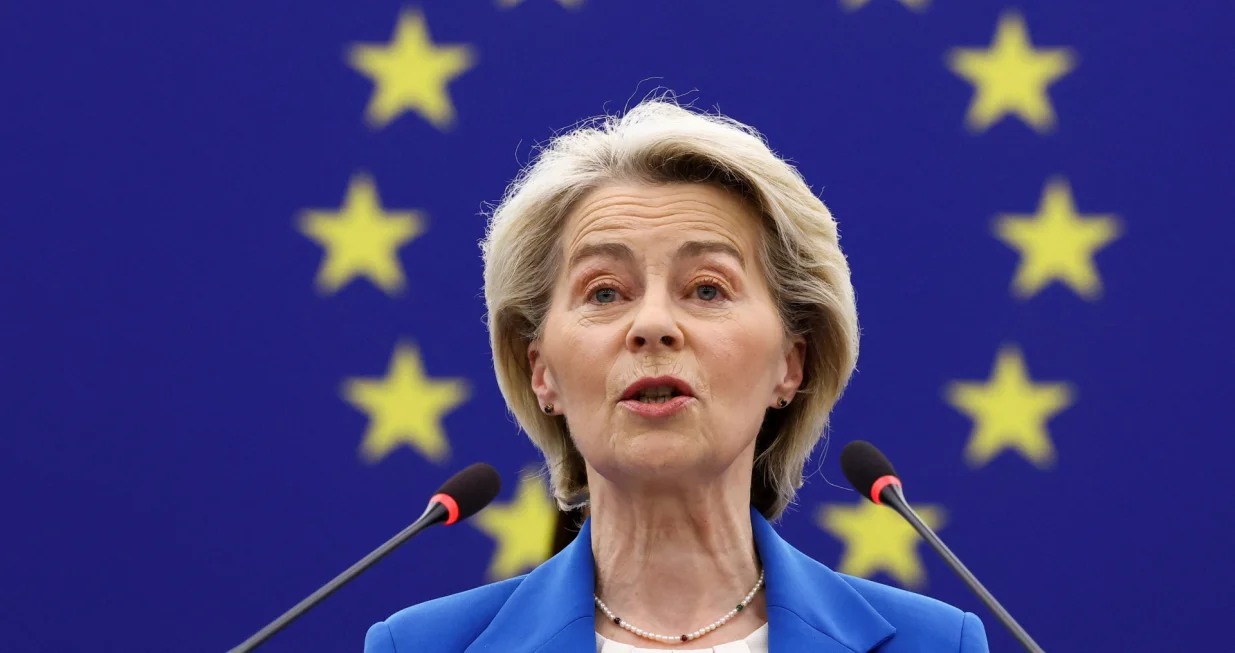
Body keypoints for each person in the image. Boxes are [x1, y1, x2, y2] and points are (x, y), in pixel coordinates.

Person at [364, 97, 989, 652]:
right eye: (605, 293)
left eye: (708, 289)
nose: (653, 325)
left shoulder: (933, 643)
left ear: (791, 364)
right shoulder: (421, 646)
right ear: (540, 370)